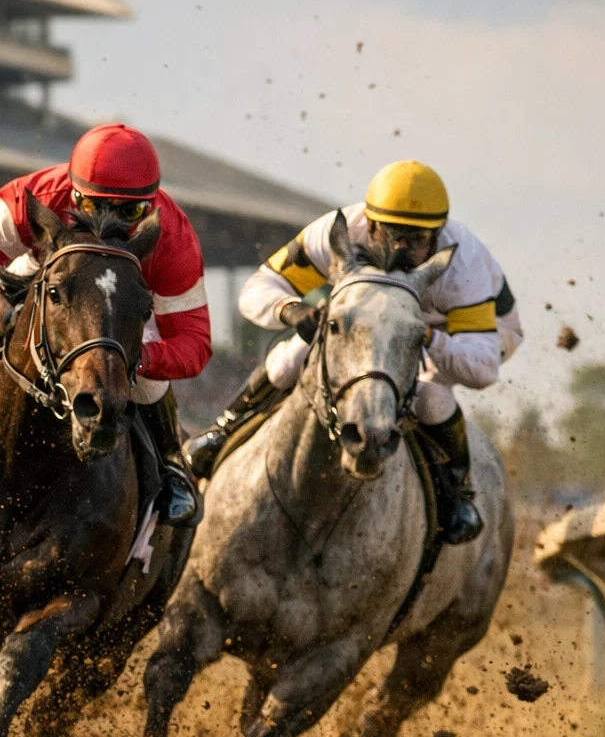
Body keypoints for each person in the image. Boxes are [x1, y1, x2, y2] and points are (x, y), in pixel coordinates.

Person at [184, 160, 524, 544]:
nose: (402, 248)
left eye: (416, 239)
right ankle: (222, 432)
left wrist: (427, 336)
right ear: (370, 224)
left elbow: (482, 369)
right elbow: (257, 289)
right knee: (291, 359)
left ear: (439, 234)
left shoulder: (464, 264)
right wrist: (292, 310)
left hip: (467, 329)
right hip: (372, 319)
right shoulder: (334, 231)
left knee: (429, 393)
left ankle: (457, 493)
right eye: (393, 235)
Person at [0, 123, 211, 527]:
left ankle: (170, 466)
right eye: (94, 207)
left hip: (120, 307)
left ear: (150, 205)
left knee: (147, 378)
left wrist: (135, 355)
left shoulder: (173, 238)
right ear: (73, 192)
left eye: (129, 213)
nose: (110, 219)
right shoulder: (43, 191)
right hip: (47, 275)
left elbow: (194, 343)